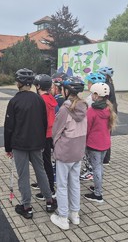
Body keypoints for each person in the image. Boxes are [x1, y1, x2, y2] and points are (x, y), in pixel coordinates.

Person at [4, 68, 57, 219]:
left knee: (23, 176)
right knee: (40, 171)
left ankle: (26, 206)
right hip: (36, 144)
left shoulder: (14, 101)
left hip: (19, 145)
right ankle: (49, 201)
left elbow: (9, 127)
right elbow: (44, 123)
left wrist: (8, 147)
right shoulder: (39, 99)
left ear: (19, 83)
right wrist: (41, 143)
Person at [50, 76, 87, 230]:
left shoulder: (65, 109)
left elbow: (56, 131)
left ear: (66, 90)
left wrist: (55, 145)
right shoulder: (84, 106)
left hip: (65, 152)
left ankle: (63, 217)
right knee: (75, 183)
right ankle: (75, 214)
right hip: (78, 150)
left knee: (62, 185)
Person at [84, 83, 117, 203]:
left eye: (93, 94)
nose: (91, 96)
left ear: (97, 95)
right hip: (105, 143)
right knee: (100, 166)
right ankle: (98, 186)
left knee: (96, 168)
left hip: (94, 144)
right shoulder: (108, 109)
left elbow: (86, 128)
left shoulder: (92, 111)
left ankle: (98, 194)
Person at [31, 74, 57, 200]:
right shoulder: (49, 98)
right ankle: (44, 183)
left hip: (43, 135)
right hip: (49, 134)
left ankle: (50, 189)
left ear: (38, 86)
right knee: (44, 162)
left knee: (44, 163)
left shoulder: (40, 100)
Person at [80, 72, 106, 181]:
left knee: (90, 156)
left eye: (90, 83)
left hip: (91, 133)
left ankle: (90, 172)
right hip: (99, 135)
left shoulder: (92, 100)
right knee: (94, 159)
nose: (88, 85)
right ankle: (90, 170)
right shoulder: (93, 97)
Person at [96, 67, 118, 165]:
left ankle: (105, 158)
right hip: (112, 111)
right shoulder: (110, 84)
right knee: (107, 135)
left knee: (106, 135)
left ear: (105, 76)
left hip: (109, 111)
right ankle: (106, 158)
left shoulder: (107, 87)